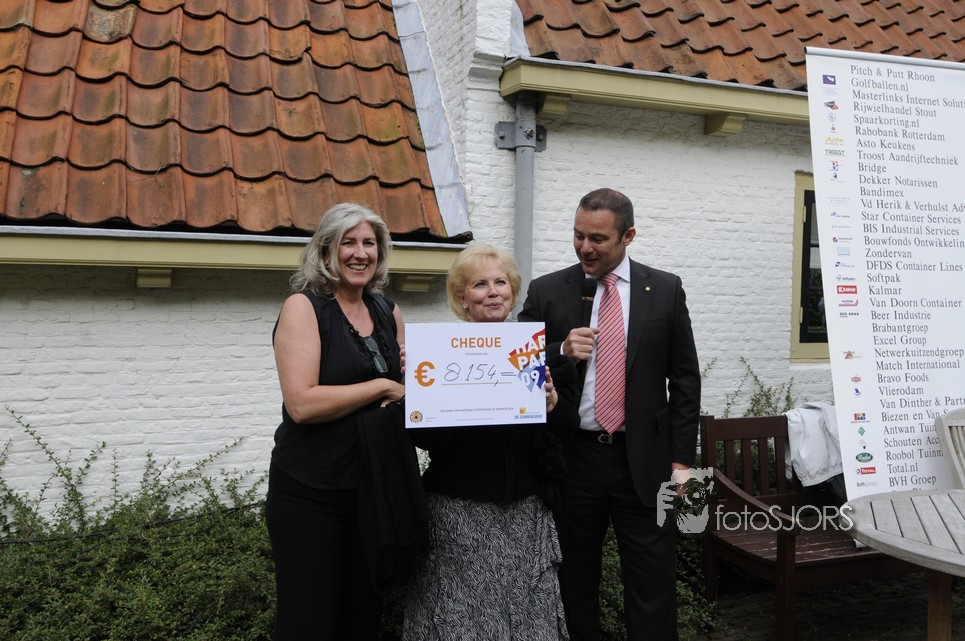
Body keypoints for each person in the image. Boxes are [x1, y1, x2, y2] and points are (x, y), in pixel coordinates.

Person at [519, 188, 701, 641]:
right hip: (575, 459)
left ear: (628, 236)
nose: (585, 247)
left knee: (653, 582)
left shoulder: (665, 289)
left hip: (645, 460)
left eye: (597, 238)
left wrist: (681, 460)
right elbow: (516, 367)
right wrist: (559, 350)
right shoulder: (547, 291)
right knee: (574, 581)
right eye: (578, 235)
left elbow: (684, 379)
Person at [265, 203, 426, 641]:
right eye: (348, 243)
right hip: (311, 494)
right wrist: (383, 386)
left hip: (374, 491)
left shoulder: (388, 311)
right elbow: (302, 404)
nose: (360, 253)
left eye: (369, 243)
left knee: (363, 620)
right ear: (325, 251)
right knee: (307, 624)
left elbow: (410, 394)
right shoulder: (304, 307)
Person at [403, 244, 576, 641]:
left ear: (513, 292)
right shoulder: (438, 356)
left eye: (501, 282)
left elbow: (566, 431)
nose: (493, 292)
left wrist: (551, 401)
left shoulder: (529, 352)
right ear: (462, 298)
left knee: (529, 621)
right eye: (480, 284)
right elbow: (423, 438)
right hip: (460, 516)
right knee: (463, 621)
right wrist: (421, 390)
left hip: (525, 515)